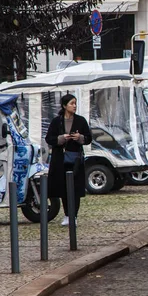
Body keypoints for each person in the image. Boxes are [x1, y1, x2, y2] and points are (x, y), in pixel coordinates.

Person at [45, 94, 92, 226]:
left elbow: (88, 138)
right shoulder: (56, 121)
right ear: (65, 106)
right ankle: (66, 215)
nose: (74, 106)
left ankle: (74, 216)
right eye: (72, 103)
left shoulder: (81, 121)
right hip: (60, 159)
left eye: (75, 103)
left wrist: (79, 137)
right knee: (63, 187)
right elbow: (49, 139)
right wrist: (61, 138)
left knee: (75, 188)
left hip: (75, 158)